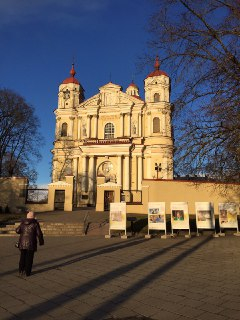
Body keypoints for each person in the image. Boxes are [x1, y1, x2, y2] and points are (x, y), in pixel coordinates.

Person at [16, 211, 44, 277]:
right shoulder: (35, 223)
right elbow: (39, 234)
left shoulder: (22, 222)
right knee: (29, 258)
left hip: (22, 243)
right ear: (34, 217)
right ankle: (27, 272)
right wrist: (41, 241)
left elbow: (17, 230)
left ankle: (21, 270)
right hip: (31, 243)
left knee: (22, 257)